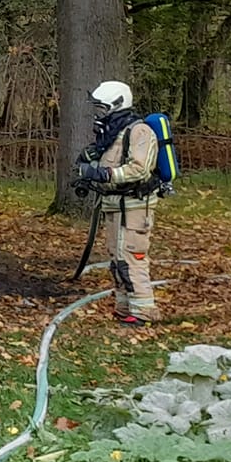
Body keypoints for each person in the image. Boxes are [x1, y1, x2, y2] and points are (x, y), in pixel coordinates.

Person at [73, 80, 164, 326]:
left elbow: (140, 169)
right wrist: (89, 168)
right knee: (117, 259)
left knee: (132, 258)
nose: (98, 113)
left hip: (134, 207)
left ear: (117, 105)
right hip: (113, 205)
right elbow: (109, 162)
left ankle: (144, 312)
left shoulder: (139, 131)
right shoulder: (112, 133)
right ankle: (125, 307)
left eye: (102, 108)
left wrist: (105, 174)